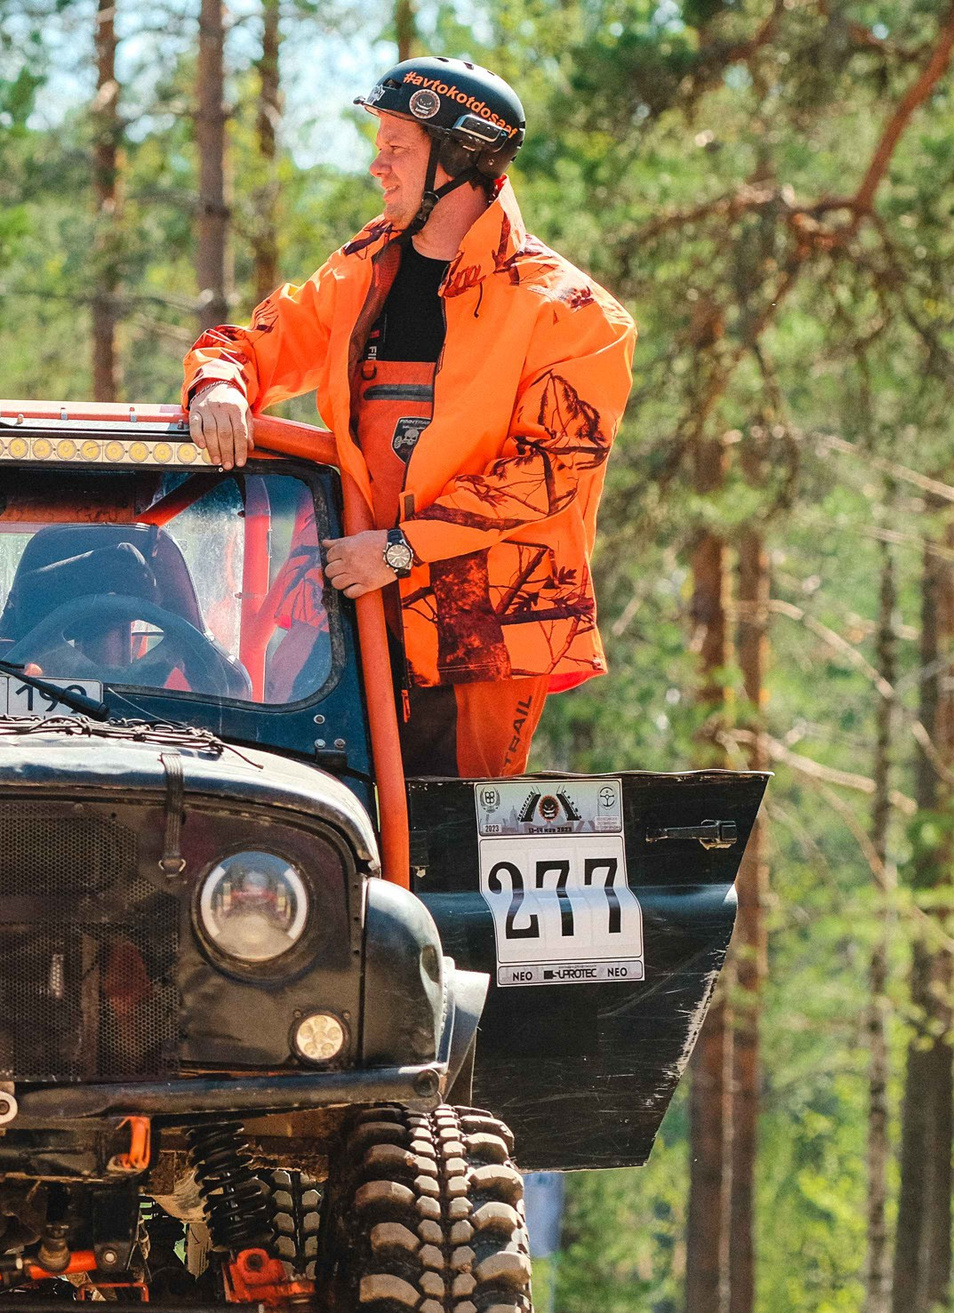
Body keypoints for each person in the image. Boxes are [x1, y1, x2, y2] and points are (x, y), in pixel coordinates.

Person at [184, 56, 636, 777]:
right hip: (346, 611)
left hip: (484, 628)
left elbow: (548, 473)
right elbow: (249, 347)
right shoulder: (360, 269)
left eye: (397, 147)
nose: (377, 165)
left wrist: (398, 551)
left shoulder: (574, 315)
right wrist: (218, 387)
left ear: (462, 158)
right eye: (380, 145)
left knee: (445, 850)